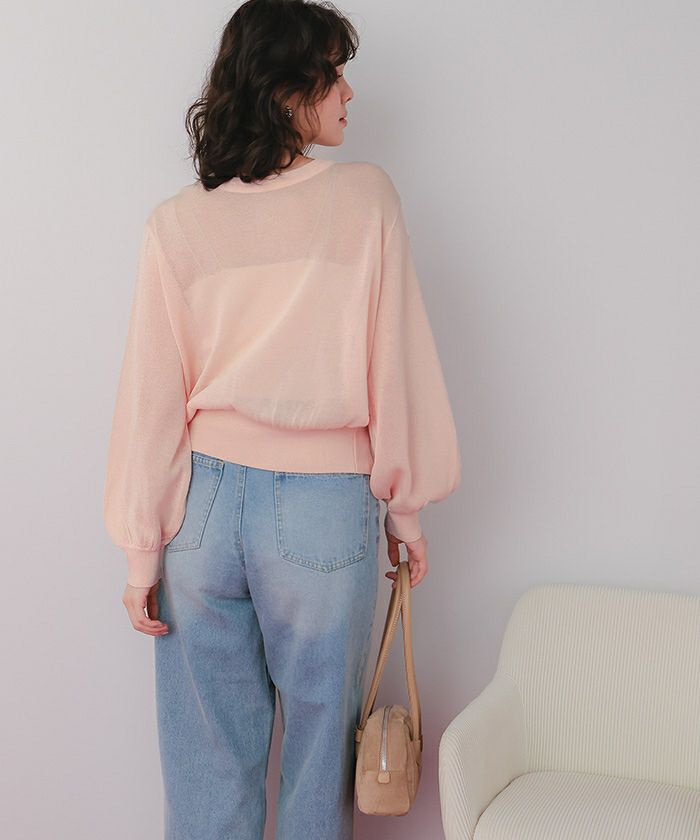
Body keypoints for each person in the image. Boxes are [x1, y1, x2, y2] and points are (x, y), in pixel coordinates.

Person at [102, 0, 461, 837]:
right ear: (285, 89)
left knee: (207, 767)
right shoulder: (365, 200)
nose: (348, 93)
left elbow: (153, 398)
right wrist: (406, 511)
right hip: (322, 507)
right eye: (332, 74)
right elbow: (395, 364)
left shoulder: (178, 223)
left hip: (199, 514)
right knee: (316, 764)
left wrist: (141, 550)